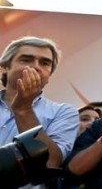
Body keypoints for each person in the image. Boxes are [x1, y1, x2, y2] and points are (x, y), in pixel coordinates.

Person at [0, 36, 79, 173]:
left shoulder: (63, 112)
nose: (36, 66)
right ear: (5, 67)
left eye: (45, 63)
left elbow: (51, 162)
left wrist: (23, 110)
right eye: (26, 59)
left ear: (49, 75)